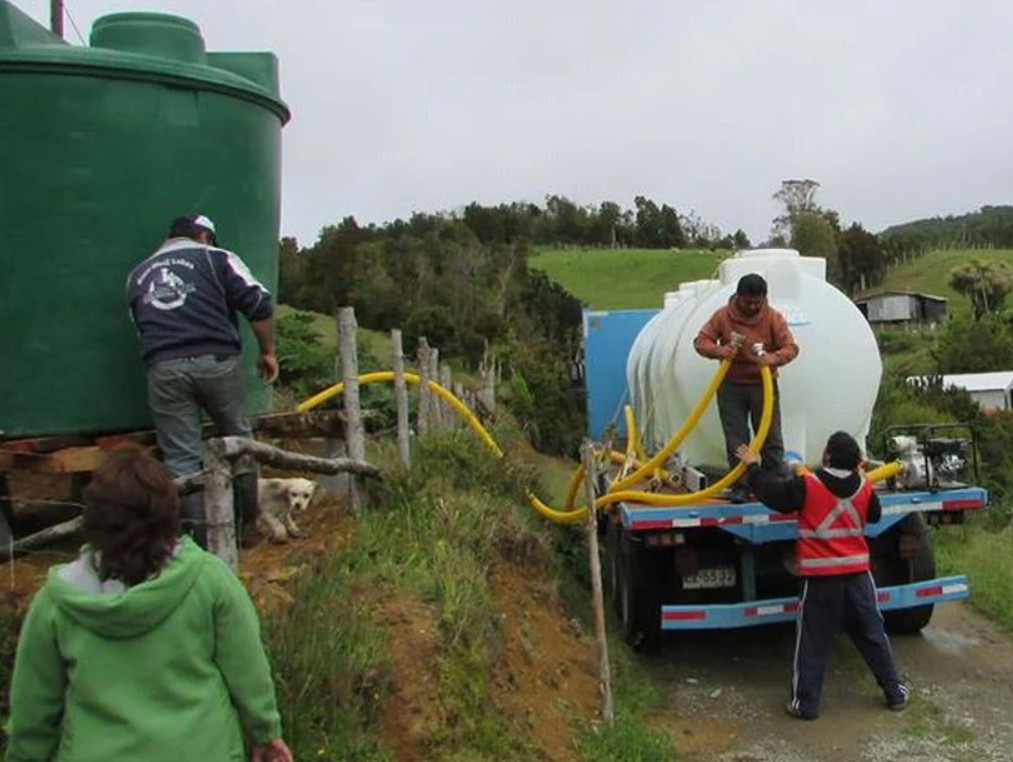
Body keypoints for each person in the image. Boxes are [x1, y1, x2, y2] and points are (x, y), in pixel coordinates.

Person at [4, 446, 293, 761]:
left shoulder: (57, 602)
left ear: (94, 519)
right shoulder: (208, 580)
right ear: (170, 514)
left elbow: (33, 708)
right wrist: (266, 734)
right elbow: (247, 669)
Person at [736, 432, 910, 720]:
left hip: (821, 579)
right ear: (856, 461)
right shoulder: (865, 488)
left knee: (813, 642)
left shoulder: (808, 484)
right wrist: (860, 474)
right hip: (857, 577)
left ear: (827, 455)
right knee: (873, 635)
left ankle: (805, 705)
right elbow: (875, 516)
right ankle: (895, 693)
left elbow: (774, 496)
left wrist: (753, 467)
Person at [127, 214, 278, 545]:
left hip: (163, 368)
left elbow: (142, 330)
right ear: (203, 236)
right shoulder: (217, 259)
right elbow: (259, 303)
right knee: (238, 439)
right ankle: (246, 529)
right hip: (216, 361)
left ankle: (196, 543)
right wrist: (267, 351)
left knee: (181, 459)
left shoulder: (137, 275)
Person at [694, 273, 799, 502]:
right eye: (747, 301)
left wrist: (773, 358)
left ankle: (774, 480)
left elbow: (791, 348)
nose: (752, 306)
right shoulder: (722, 316)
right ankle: (741, 484)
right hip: (731, 386)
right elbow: (701, 342)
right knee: (736, 438)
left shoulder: (773, 318)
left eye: (757, 302)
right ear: (738, 297)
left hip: (764, 385)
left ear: (764, 298)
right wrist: (720, 351)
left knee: (770, 434)